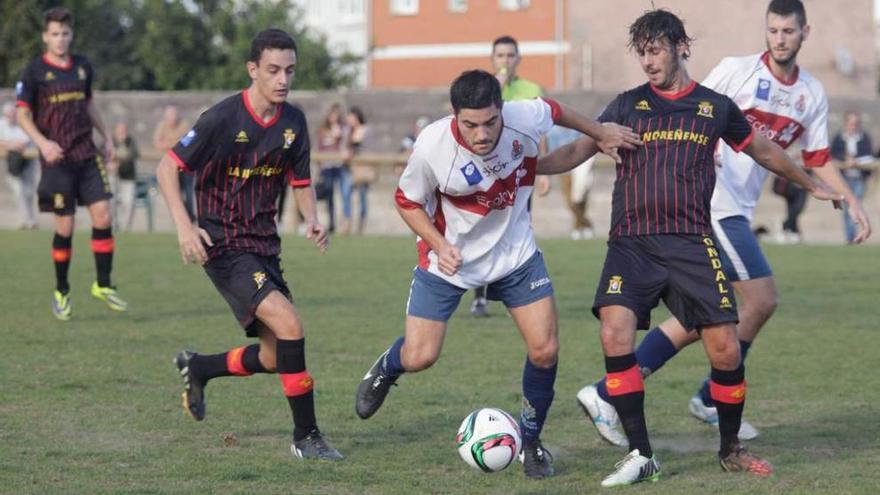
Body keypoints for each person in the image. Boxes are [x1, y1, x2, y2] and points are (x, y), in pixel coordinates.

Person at [537, 8, 845, 486]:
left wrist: (812, 183)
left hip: (691, 243)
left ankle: (730, 450)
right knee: (614, 336)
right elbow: (579, 149)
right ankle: (642, 455)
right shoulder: (626, 105)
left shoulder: (714, 106)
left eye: (655, 50)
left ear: (681, 46)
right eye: (641, 53)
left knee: (724, 350)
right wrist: (529, 168)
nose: (648, 62)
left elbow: (763, 150)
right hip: (631, 243)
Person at [353, 69, 641, 480]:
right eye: (470, 125)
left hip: (515, 255)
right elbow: (406, 202)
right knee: (421, 355)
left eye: (491, 122)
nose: (482, 134)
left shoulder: (523, 116)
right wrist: (439, 244)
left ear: (501, 110)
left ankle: (531, 441)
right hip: (450, 260)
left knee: (545, 350)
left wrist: (600, 132)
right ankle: (387, 367)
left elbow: (556, 111)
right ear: (454, 116)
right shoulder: (432, 148)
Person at [155, 28, 342, 461]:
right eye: (273, 70)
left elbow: (300, 181)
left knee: (278, 355)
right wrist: (185, 228)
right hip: (222, 244)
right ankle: (306, 437)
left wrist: (312, 218)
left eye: (290, 71)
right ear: (253, 69)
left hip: (264, 246)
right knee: (291, 323)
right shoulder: (222, 118)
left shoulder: (294, 122)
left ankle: (199, 367)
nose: (282, 79)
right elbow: (167, 168)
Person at [16, 7, 126, 320]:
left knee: (103, 215)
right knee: (66, 226)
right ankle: (61, 291)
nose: (60, 39)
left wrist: (106, 138)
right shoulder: (34, 71)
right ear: (45, 36)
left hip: (86, 154)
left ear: (71, 35)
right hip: (57, 159)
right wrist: (43, 144)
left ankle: (103, 284)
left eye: (65, 33)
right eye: (54, 34)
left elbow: (89, 104)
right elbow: (23, 114)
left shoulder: (82, 67)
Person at [469, 35, 552, 317]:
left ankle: (518, 294)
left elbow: (538, 131)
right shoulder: (483, 90)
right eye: (500, 56)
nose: (505, 60)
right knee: (484, 233)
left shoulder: (531, 89)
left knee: (519, 228)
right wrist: (497, 88)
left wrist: (543, 171)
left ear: (518, 58)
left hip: (521, 174)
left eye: (510, 55)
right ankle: (479, 297)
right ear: (493, 59)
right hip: (489, 174)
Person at [830, 110, 874, 243]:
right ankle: (850, 237)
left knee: (856, 204)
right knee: (847, 208)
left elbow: (869, 156)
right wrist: (845, 159)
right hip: (843, 179)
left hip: (859, 178)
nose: (853, 126)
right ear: (846, 123)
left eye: (855, 123)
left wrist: (856, 161)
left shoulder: (864, 138)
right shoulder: (839, 138)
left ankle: (853, 237)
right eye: (850, 123)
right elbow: (832, 155)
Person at [546, 125, 594, 240]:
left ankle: (578, 227)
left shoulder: (576, 130)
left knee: (580, 198)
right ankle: (586, 224)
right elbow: (553, 150)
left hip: (577, 168)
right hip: (564, 169)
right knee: (570, 201)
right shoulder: (553, 132)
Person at [153, 104, 194, 221]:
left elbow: (190, 141)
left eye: (174, 115)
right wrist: (177, 143)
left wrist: (168, 144)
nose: (172, 118)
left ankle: (190, 218)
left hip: (185, 166)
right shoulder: (161, 126)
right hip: (169, 167)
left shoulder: (185, 125)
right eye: (170, 115)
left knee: (189, 194)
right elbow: (157, 144)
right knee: (174, 194)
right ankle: (179, 219)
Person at [315, 103, 352, 234]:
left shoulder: (342, 129)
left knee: (344, 194)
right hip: (327, 167)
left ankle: (345, 223)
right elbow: (320, 148)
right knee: (329, 195)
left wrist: (338, 134)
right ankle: (331, 222)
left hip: (339, 165)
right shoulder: (322, 130)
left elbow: (345, 143)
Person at [1, 101, 37, 230]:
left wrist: (13, 145)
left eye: (12, 114)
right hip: (12, 164)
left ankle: (30, 220)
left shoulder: (23, 123)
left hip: (28, 163)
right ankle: (25, 221)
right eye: (8, 114)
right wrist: (11, 145)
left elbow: (26, 141)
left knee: (29, 192)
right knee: (19, 191)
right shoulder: (2, 125)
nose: (10, 117)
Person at [344, 106, 374, 234]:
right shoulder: (348, 131)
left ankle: (361, 226)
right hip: (350, 168)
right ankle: (347, 224)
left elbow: (369, 148)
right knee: (346, 194)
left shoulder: (366, 130)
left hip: (363, 168)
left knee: (362, 196)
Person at [108, 122, 139, 231]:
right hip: (112, 177)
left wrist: (120, 162)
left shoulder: (130, 142)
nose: (122, 132)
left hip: (128, 178)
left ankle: (126, 228)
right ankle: (113, 226)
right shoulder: (109, 142)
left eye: (124, 130)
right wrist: (108, 165)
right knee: (111, 202)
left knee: (129, 202)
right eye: (120, 130)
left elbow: (133, 155)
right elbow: (101, 155)